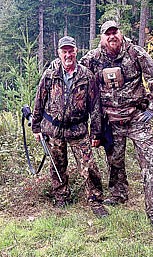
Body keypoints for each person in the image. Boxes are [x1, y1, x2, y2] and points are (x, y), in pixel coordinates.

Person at [79, 20, 153, 228]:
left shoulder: (135, 53)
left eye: (114, 32)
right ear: (101, 37)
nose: (112, 37)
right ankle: (119, 194)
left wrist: (152, 108)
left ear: (120, 33)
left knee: (150, 161)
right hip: (112, 121)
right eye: (107, 34)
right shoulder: (93, 58)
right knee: (115, 161)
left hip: (137, 118)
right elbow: (76, 73)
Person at [31, 36, 109, 218]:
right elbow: (39, 101)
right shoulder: (50, 75)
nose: (68, 55)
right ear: (59, 53)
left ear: (76, 52)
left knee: (89, 165)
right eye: (64, 51)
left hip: (78, 130)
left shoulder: (86, 76)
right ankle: (61, 197)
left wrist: (96, 132)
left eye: (70, 51)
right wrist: (36, 127)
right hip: (54, 130)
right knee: (57, 165)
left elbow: (95, 106)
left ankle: (95, 200)